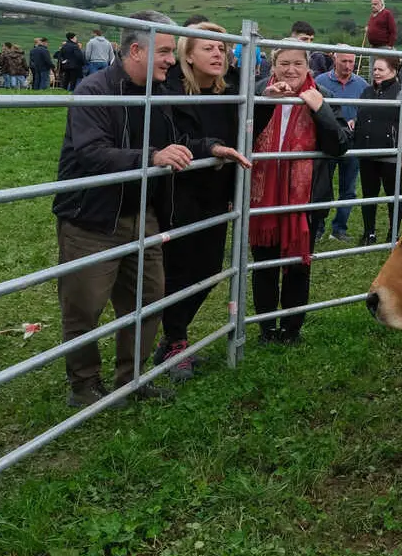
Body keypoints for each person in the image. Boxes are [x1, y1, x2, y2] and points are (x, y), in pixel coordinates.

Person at [52, 10, 250, 407]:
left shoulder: (160, 97)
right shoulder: (94, 92)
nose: (171, 60)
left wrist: (209, 148)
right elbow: (91, 154)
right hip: (92, 219)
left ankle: (133, 379)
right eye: (163, 52)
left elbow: (179, 140)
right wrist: (153, 156)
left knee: (148, 300)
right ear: (137, 50)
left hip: (141, 214)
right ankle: (85, 385)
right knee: (84, 307)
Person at [156, 21, 252, 382]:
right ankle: (175, 342)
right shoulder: (172, 90)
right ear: (188, 55)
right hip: (178, 193)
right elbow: (174, 137)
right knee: (179, 269)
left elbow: (248, 132)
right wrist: (210, 148)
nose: (218, 54)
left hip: (216, 193)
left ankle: (172, 338)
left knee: (210, 269)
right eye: (208, 47)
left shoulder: (234, 90)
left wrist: (269, 102)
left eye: (222, 49)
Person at [249, 43, 350, 345]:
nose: (290, 70)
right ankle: (266, 328)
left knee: (297, 266)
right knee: (264, 265)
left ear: (308, 68)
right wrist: (264, 103)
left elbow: (340, 145)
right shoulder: (256, 91)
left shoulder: (324, 97)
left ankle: (292, 329)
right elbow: (240, 136)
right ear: (273, 66)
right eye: (283, 64)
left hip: (304, 199)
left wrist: (320, 111)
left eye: (297, 64)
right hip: (262, 198)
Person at [353, 56, 402, 245]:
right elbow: (362, 115)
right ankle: (369, 233)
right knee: (368, 195)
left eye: (381, 69)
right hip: (367, 154)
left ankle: (394, 234)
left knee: (394, 196)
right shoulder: (366, 91)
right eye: (374, 69)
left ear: (393, 71)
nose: (376, 72)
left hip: (391, 155)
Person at [312, 46, 368, 242]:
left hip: (352, 142)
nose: (348, 65)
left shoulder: (362, 84)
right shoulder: (320, 82)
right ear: (334, 59)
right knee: (322, 187)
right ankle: (317, 228)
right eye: (343, 61)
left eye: (351, 61)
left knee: (349, 187)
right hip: (327, 141)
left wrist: (357, 121)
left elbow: (367, 112)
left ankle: (339, 229)